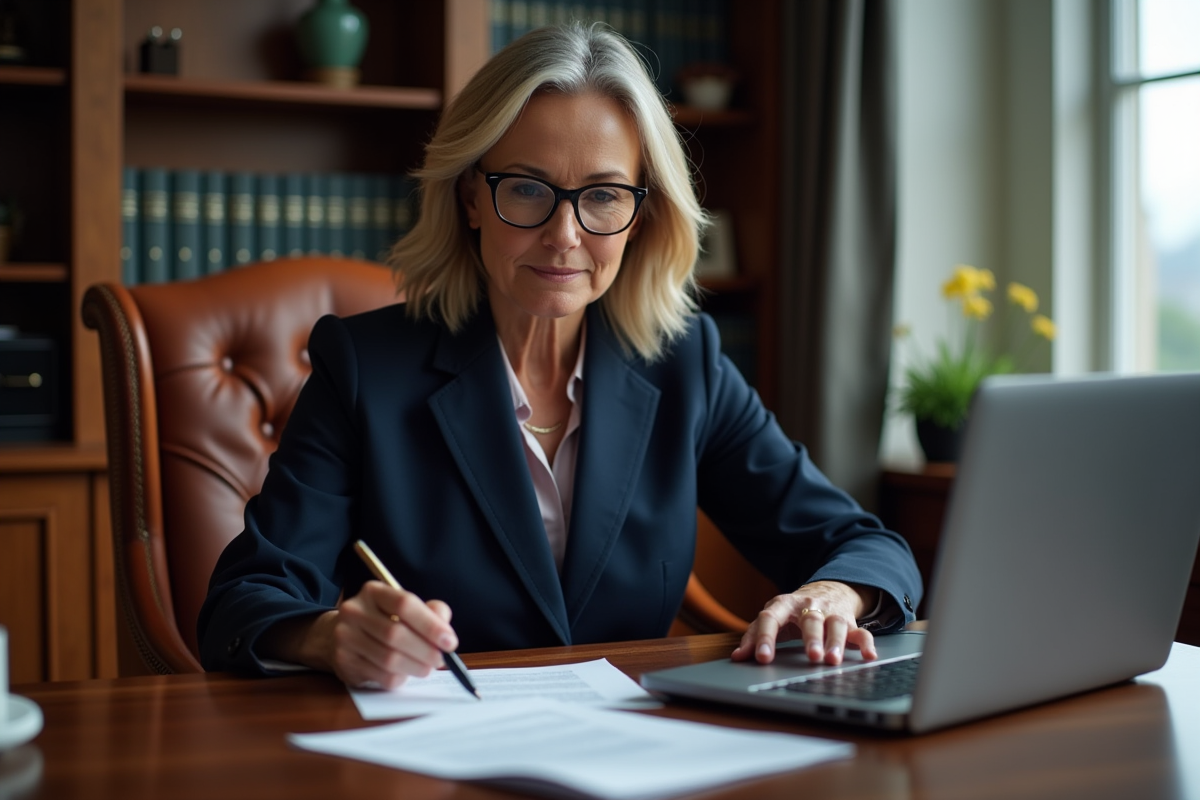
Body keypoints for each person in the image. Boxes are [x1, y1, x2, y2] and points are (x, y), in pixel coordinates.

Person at [197, 21, 922, 688]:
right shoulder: (364, 369)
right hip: (429, 758)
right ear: (471, 197)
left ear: (642, 216)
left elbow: (865, 544)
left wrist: (835, 592)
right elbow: (243, 602)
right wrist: (329, 636)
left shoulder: (685, 364)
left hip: (630, 757)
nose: (564, 235)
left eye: (603, 196)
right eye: (527, 189)